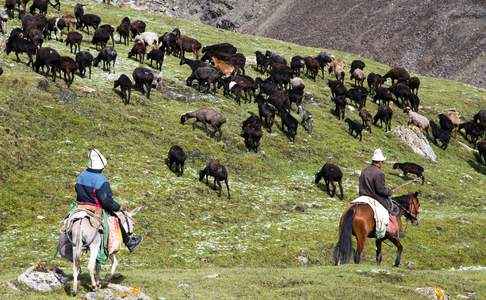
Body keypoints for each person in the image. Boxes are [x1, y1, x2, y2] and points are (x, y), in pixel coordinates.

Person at [75, 149, 142, 252]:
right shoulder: (101, 180)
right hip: (96, 207)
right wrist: (118, 207)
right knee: (116, 219)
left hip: (80, 206)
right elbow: (106, 201)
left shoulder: (81, 176)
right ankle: (129, 242)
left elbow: (77, 189)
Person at [358, 149, 403, 238]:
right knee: (393, 208)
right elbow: (380, 190)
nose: (382, 164)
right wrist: (389, 192)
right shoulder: (379, 173)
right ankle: (392, 231)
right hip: (375, 198)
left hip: (362, 196)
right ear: (379, 162)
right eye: (382, 162)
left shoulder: (364, 170)